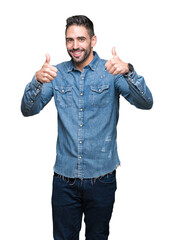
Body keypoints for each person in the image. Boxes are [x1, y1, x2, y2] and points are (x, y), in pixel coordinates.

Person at [21, 15, 153, 240]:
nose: (75, 46)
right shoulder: (56, 74)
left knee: (98, 237)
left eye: (81, 39)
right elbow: (28, 110)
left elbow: (146, 103)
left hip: (102, 177)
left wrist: (128, 70)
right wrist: (36, 81)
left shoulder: (111, 71)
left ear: (93, 41)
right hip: (64, 180)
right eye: (69, 40)